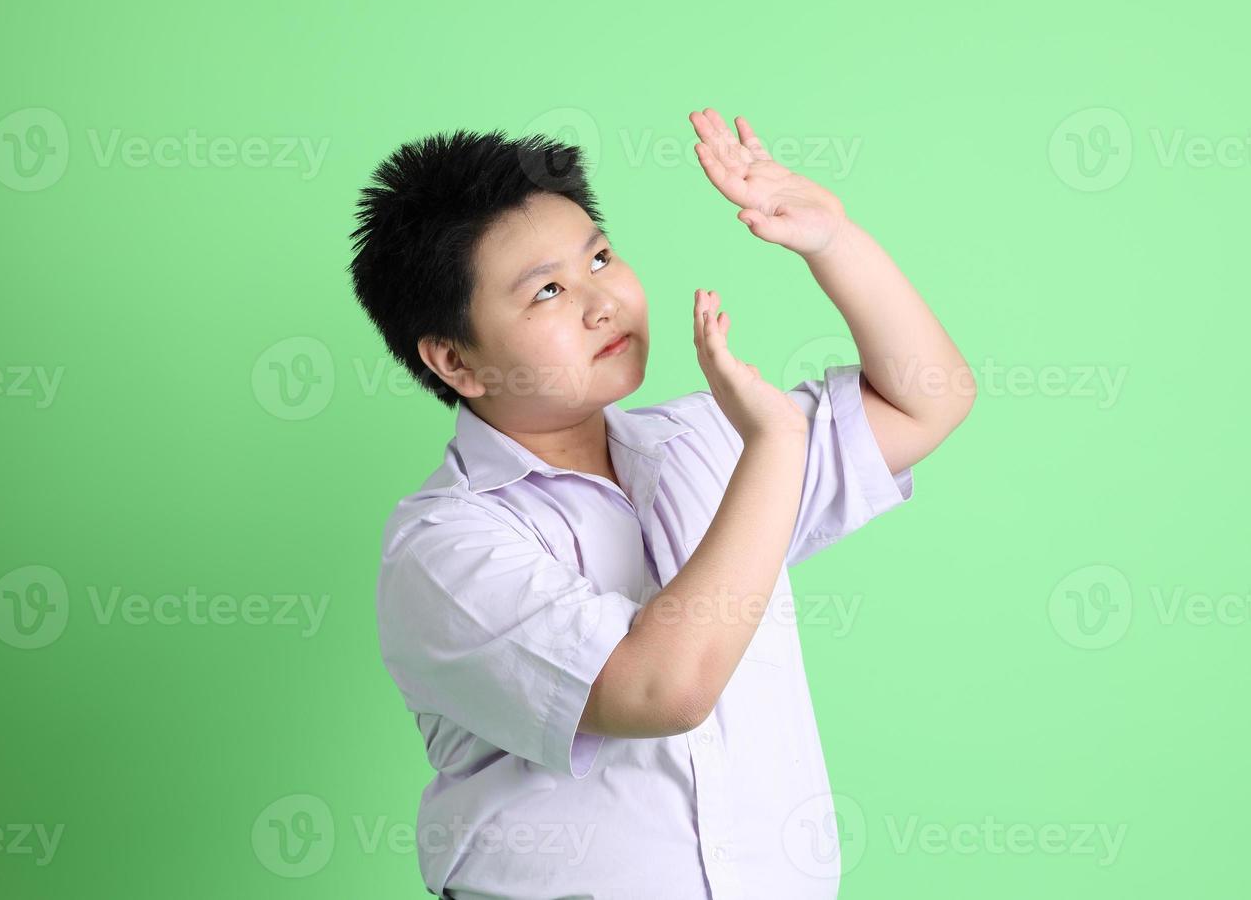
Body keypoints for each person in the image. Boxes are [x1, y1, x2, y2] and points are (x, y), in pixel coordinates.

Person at [348, 107, 976, 898]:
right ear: (455, 361)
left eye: (600, 258)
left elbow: (930, 399)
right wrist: (775, 449)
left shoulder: (712, 439)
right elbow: (661, 689)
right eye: (546, 291)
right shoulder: (443, 547)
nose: (600, 301)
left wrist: (833, 241)